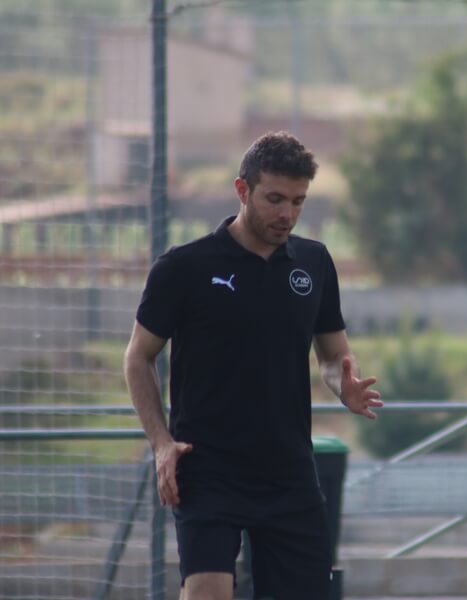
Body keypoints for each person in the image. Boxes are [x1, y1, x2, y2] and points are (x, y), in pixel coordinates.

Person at [124, 131, 382, 600]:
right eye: (275, 199)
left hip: (289, 472)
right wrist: (161, 443)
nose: (287, 214)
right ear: (242, 190)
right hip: (207, 470)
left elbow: (331, 356)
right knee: (207, 592)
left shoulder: (314, 262)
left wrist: (342, 386)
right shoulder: (184, 267)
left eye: (299, 201)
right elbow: (138, 358)